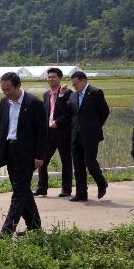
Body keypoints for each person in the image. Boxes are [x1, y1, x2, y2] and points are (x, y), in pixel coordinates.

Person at [0, 72, 47, 237]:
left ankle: (7, 230)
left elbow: (41, 132)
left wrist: (39, 156)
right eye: (3, 90)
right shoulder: (4, 102)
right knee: (23, 190)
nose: (6, 93)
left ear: (18, 86)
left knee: (19, 193)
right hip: (8, 151)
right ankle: (35, 228)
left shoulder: (33, 103)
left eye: (8, 89)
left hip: (26, 153)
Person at [67, 71, 110, 201]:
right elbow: (71, 112)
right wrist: (63, 95)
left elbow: (104, 112)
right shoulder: (73, 95)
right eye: (73, 85)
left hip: (91, 135)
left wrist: (94, 126)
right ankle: (81, 193)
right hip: (76, 135)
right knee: (78, 165)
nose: (75, 87)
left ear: (84, 81)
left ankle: (101, 183)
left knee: (90, 162)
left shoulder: (95, 92)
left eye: (76, 84)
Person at [35, 67, 73, 197]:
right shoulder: (46, 94)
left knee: (66, 161)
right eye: (49, 77)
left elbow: (69, 113)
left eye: (53, 77)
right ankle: (42, 188)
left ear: (60, 78)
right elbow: (46, 114)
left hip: (63, 133)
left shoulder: (68, 93)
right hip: (48, 133)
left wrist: (58, 122)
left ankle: (66, 189)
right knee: (42, 161)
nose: (50, 79)